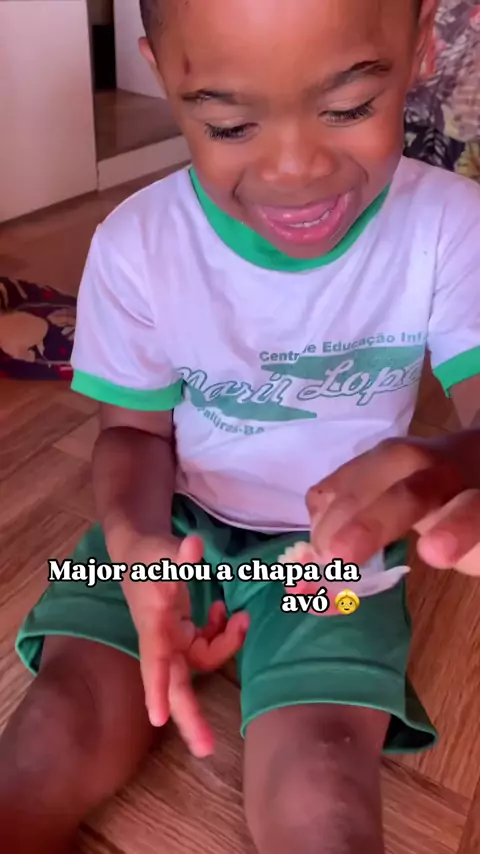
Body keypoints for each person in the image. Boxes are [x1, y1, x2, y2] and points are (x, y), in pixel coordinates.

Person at [2, 0, 480, 851]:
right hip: (164, 524)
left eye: (348, 107)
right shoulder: (138, 244)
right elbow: (133, 434)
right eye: (229, 124)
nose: (295, 169)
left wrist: (455, 460)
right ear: (162, 76)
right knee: (53, 733)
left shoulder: (449, 226)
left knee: (322, 784)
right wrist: (136, 545)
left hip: (334, 556)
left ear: (419, 50)